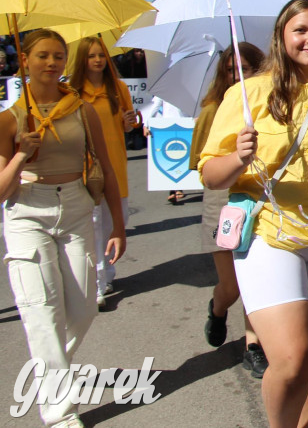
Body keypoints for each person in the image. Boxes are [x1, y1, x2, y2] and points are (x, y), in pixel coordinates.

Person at [199, 0, 308, 428]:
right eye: (301, 30)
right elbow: (211, 176)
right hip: (270, 235)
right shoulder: (247, 93)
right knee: (292, 359)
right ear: (281, 36)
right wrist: (238, 158)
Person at [0, 29, 126, 428]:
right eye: (42, 56)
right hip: (26, 212)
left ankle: (48, 365)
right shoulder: (9, 117)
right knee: (41, 312)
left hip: (75, 207)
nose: (51, 63)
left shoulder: (81, 109)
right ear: (24, 61)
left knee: (84, 308)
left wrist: (118, 227)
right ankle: (60, 413)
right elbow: (3, 190)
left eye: (57, 56)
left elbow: (105, 168)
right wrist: (21, 153)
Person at [190, 42, 267, 378]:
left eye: (245, 69)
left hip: (258, 199)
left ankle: (254, 345)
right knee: (232, 286)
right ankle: (218, 308)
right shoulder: (211, 110)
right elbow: (199, 164)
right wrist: (233, 155)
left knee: (255, 280)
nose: (238, 75)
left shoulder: (267, 105)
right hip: (222, 201)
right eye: (231, 70)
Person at [67, 37, 135, 308]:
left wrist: (128, 123)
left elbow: (127, 124)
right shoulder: (71, 92)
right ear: (82, 60)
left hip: (116, 163)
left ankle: (106, 274)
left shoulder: (117, 88)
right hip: (85, 168)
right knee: (93, 224)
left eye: (101, 55)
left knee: (116, 220)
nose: (97, 60)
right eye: (91, 56)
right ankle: (95, 283)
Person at [142, 96, 186, 205]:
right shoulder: (164, 87)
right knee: (171, 157)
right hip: (167, 126)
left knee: (182, 157)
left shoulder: (187, 86)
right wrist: (146, 124)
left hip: (185, 125)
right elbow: (156, 105)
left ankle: (179, 188)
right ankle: (173, 190)